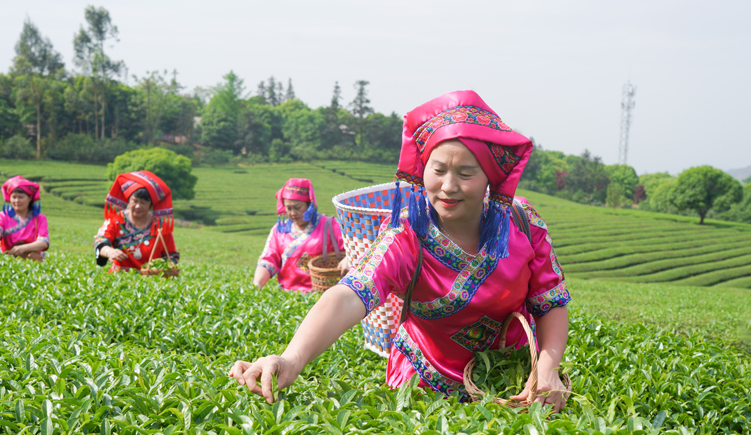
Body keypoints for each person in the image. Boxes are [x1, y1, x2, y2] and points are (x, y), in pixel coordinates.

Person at [232, 91, 571, 411]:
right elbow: (351, 294)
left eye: (466, 174)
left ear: (490, 179)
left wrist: (547, 367)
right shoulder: (408, 233)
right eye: (437, 171)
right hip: (424, 382)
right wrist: (291, 359)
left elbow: (550, 302)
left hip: (512, 376)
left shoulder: (523, 223)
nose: (448, 187)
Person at [254, 178, 349, 291]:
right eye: (288, 208)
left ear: (309, 205)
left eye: (297, 208)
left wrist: (349, 259)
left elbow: (353, 249)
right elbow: (268, 260)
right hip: (287, 296)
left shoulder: (330, 225)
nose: (293, 213)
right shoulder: (279, 230)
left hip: (322, 294)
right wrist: (256, 286)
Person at [94, 171, 179, 272]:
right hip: (119, 279)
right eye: (135, 201)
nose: (138, 206)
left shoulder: (160, 226)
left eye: (143, 202)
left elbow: (171, 256)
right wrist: (109, 252)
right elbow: (100, 242)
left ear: (151, 204)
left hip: (151, 280)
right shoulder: (116, 221)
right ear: (128, 200)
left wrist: (159, 268)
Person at [0, 176, 49, 261]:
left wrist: (23, 248)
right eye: (14, 197)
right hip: (7, 260)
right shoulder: (1, 216)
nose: (17, 201)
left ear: (30, 198)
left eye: (20, 197)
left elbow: (44, 242)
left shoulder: (39, 219)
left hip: (33, 260)